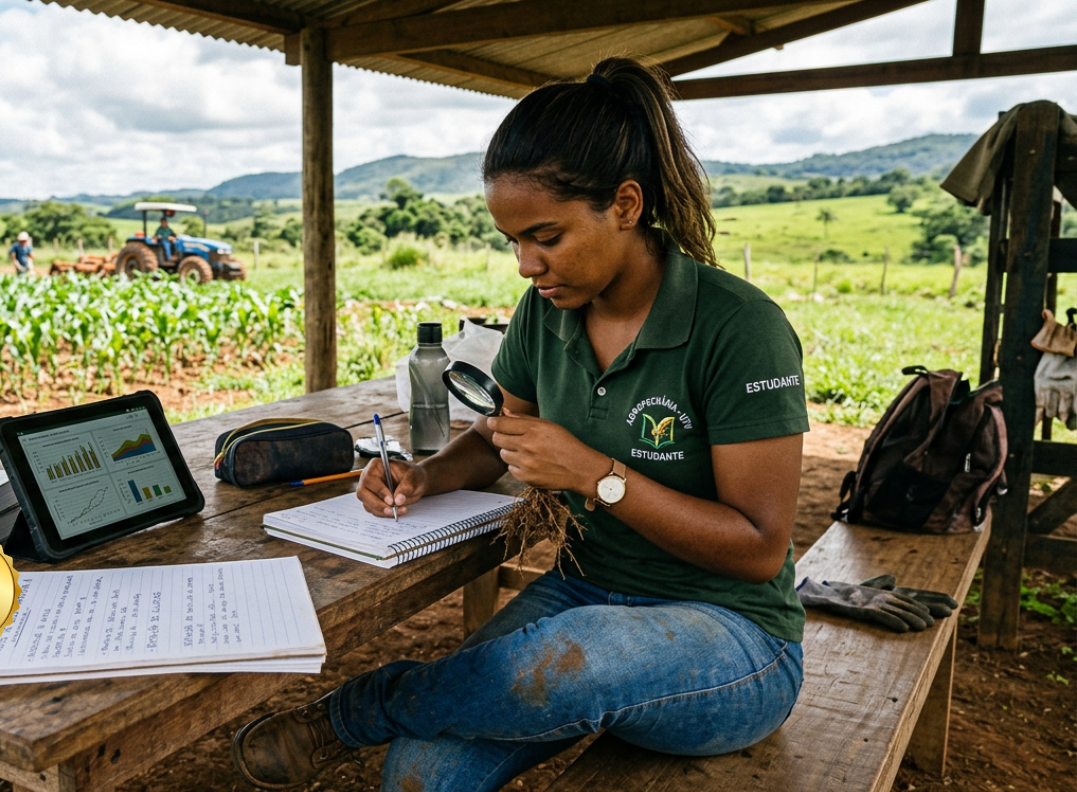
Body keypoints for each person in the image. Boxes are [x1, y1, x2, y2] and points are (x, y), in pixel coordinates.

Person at [231, 57, 809, 792]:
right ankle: (415, 715)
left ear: (625, 205)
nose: (525, 265)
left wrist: (596, 477)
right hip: (587, 592)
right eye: (512, 241)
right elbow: (500, 436)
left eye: (546, 236)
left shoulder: (737, 328)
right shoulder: (547, 309)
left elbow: (759, 549)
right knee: (420, 775)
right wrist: (424, 474)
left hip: (732, 636)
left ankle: (358, 710)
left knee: (573, 659)